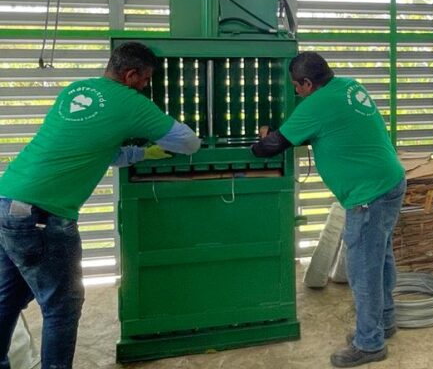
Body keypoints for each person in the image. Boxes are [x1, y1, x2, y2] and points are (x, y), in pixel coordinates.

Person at [0, 42, 201, 369]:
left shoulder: (75, 90)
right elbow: (189, 142)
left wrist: (140, 153)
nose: (147, 87)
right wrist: (159, 140)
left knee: (8, 297)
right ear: (131, 74)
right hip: (44, 216)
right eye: (146, 79)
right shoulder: (131, 102)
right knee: (62, 308)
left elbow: (93, 148)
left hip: (8, 200)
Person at [251, 51, 406, 369]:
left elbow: (269, 148)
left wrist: (260, 139)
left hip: (367, 195)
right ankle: (385, 322)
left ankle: (370, 343)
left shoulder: (316, 105)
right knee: (381, 257)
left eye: (297, 86)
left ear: (308, 83)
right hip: (390, 180)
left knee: (363, 270)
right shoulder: (350, 86)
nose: (295, 92)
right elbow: (339, 128)